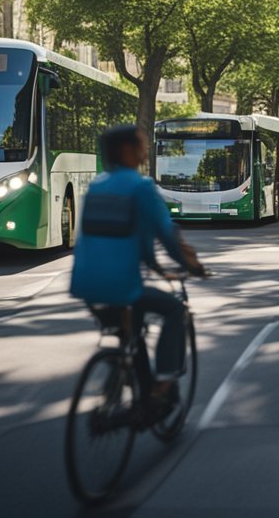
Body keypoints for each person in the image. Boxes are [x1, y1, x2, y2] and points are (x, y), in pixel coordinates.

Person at [71, 125, 208, 416]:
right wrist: (191, 266)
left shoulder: (96, 186)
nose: (146, 151)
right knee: (175, 311)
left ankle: (126, 378)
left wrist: (157, 269)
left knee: (131, 335)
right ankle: (163, 382)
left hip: (84, 284)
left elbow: (129, 238)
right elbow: (166, 234)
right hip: (122, 285)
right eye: (141, 145)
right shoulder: (141, 186)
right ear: (127, 150)